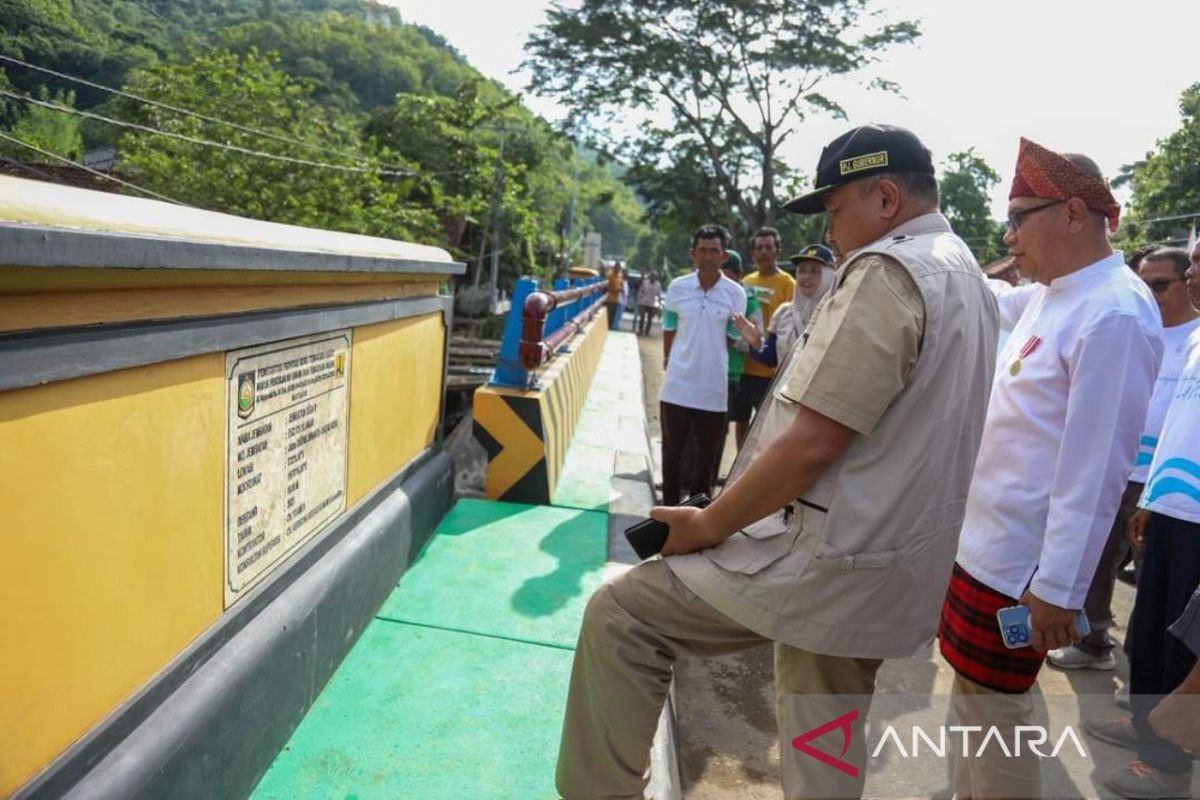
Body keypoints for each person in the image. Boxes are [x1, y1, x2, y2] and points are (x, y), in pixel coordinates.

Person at [556, 124, 998, 799]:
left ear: (884, 196)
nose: (831, 228)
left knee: (623, 616)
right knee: (825, 743)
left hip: (832, 557)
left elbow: (815, 441)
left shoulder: (890, 269)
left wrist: (709, 524)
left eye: (835, 208)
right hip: (889, 562)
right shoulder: (966, 273)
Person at [940, 138, 1163, 800]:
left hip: (1022, 569)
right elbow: (980, 299)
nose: (1009, 236)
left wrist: (1059, 590)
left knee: (998, 718)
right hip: (983, 546)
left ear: (1070, 213)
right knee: (971, 703)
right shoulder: (1051, 294)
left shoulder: (1114, 312)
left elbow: (1094, 471)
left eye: (1018, 218)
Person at [1048, 247, 1200, 672]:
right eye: (1144, 283)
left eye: (1161, 284)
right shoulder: (1139, 326)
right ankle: (1094, 641)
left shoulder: (1192, 335)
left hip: (1166, 486)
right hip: (1123, 471)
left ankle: (1151, 687)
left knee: (1158, 582)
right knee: (1097, 559)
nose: (1151, 294)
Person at [1084, 252, 1200, 799]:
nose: (1194, 273)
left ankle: (1168, 763)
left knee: (1182, 643)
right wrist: (1151, 497)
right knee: (1149, 634)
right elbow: (1180, 425)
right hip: (1171, 509)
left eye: (1199, 264)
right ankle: (1146, 725)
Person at [656, 225, 747, 506]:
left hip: (713, 388)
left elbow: (732, 338)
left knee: (707, 459)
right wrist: (671, 362)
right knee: (672, 453)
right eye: (703, 250)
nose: (708, 256)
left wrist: (708, 355)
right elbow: (669, 328)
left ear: (724, 256)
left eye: (714, 251)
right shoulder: (677, 287)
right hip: (677, 386)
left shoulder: (736, 294)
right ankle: (668, 510)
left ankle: (696, 516)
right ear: (692, 254)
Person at [733, 228, 796, 448]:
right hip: (743, 366)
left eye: (769, 247)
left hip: (769, 370)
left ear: (778, 251)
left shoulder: (789, 284)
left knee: (765, 425)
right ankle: (737, 471)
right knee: (740, 420)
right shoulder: (745, 282)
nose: (764, 252)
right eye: (759, 248)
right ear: (752, 254)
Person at [735, 244, 837, 367]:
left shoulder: (838, 313)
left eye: (815, 271)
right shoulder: (784, 314)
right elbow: (772, 358)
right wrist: (756, 343)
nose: (806, 277)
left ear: (829, 275)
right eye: (802, 270)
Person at [635, 270, 663, 336]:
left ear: (656, 277)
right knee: (642, 316)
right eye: (651, 276)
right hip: (643, 302)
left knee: (650, 318)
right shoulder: (644, 283)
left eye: (654, 276)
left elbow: (659, 294)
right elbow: (640, 292)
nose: (652, 277)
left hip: (651, 303)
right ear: (649, 277)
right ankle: (640, 330)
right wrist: (639, 300)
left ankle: (647, 332)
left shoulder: (658, 284)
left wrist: (659, 303)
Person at [605, 262, 626, 331]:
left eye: (619, 268)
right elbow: (606, 287)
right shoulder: (610, 275)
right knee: (608, 316)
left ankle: (610, 328)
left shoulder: (620, 276)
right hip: (609, 299)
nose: (618, 269)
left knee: (613, 317)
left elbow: (622, 285)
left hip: (617, 300)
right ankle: (607, 328)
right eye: (616, 267)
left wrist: (621, 289)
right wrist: (616, 290)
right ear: (614, 267)